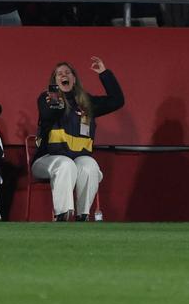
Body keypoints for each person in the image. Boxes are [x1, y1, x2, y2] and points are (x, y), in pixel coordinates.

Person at [32, 57, 125, 221]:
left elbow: (117, 101)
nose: (63, 75)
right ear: (54, 81)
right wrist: (58, 104)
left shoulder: (85, 103)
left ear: (74, 79)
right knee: (66, 165)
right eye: (59, 74)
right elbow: (48, 114)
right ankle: (62, 215)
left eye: (67, 72)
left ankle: (82, 215)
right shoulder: (46, 99)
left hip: (77, 159)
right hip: (47, 160)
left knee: (89, 165)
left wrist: (104, 73)